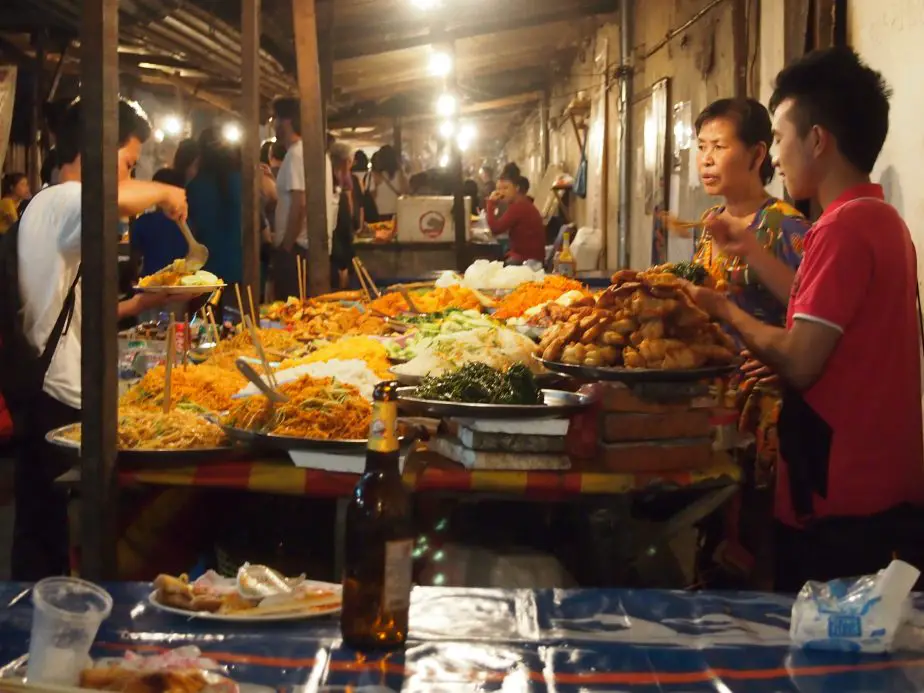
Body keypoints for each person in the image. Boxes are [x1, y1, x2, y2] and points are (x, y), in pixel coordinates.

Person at [686, 47, 924, 591]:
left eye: (785, 139)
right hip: (886, 488)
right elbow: (819, 308)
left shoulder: (839, 230)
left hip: (841, 495)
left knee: (821, 661)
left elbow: (801, 360)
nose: (780, 158)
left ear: (817, 140)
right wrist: (751, 251)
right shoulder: (881, 221)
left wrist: (723, 308)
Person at [13, 97, 189, 580]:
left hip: (62, 388)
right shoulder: (62, 200)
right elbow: (114, 196)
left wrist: (139, 305)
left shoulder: (59, 208)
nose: (131, 174)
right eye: (129, 162)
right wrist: (163, 191)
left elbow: (72, 309)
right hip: (57, 395)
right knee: (48, 538)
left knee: (44, 531)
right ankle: (43, 629)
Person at [694, 98, 810, 489]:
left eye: (719, 147)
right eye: (701, 147)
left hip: (767, 407)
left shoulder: (785, 226)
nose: (706, 160)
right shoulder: (712, 224)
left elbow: (812, 315)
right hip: (717, 395)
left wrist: (783, 362)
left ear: (758, 153)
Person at [271, 97, 336, 300]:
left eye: (275, 118)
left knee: (292, 314)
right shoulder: (313, 152)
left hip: (298, 251)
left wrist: (286, 248)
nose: (273, 124)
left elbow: (300, 205)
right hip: (309, 249)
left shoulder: (297, 154)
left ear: (286, 121)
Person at [186, 129, 243, 287]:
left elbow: (190, 230)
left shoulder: (195, 186)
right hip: (241, 268)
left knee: (205, 312)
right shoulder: (243, 182)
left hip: (206, 273)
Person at [130, 168, 188, 278]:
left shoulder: (142, 222)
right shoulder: (189, 223)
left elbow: (134, 260)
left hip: (151, 285)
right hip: (183, 285)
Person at [485, 174, 545, 264]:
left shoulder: (519, 207)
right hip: (530, 257)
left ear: (516, 188)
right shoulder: (524, 203)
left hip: (527, 260)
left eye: (505, 188)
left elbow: (495, 229)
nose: (501, 193)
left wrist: (490, 204)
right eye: (498, 189)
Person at [330, 143, 356, 289]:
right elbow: (344, 224)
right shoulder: (337, 187)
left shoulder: (338, 182)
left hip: (337, 252)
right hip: (338, 256)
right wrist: (344, 263)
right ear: (346, 162)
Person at [368, 145, 408, 221]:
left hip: (380, 213)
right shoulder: (401, 175)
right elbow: (405, 193)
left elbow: (372, 197)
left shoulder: (376, 175)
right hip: (397, 213)